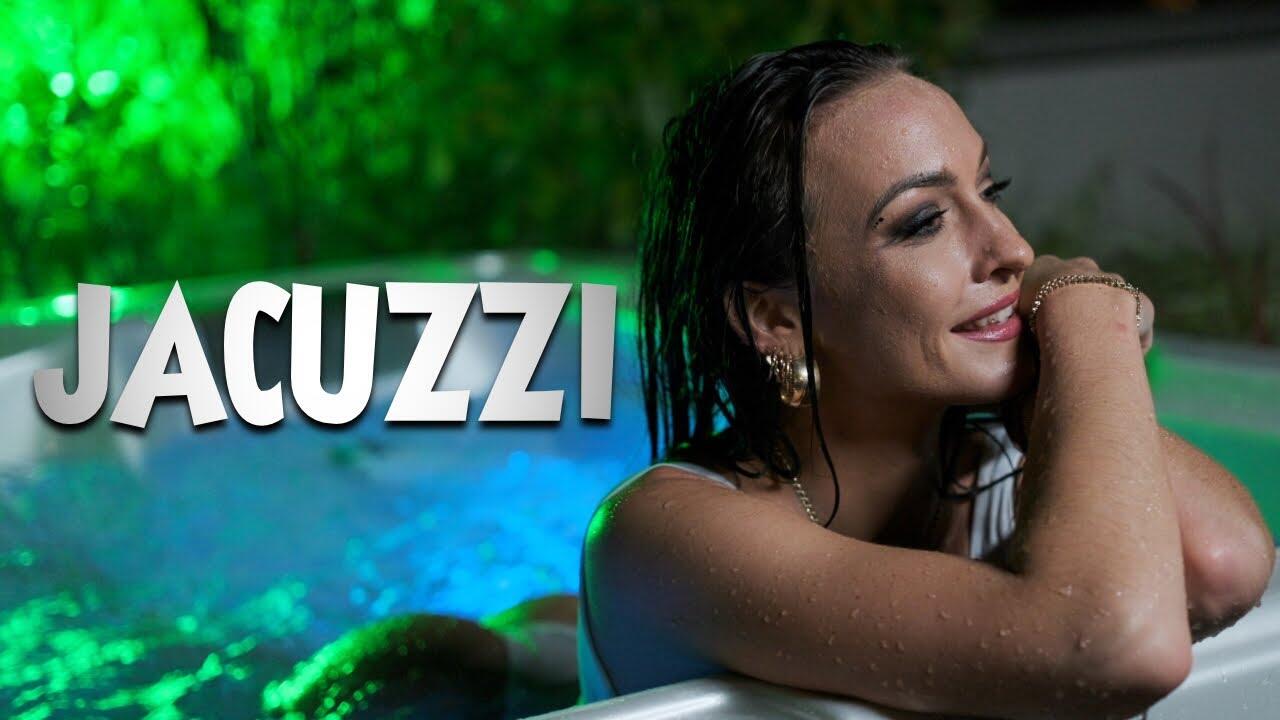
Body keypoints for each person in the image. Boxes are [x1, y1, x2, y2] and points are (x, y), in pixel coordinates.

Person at [576, 39, 1276, 719]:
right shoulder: (658, 534)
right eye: (924, 222)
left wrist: (1052, 380)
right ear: (777, 317)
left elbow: (1222, 565)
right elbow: (1113, 646)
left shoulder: (1017, 463)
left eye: (990, 190)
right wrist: (1087, 311)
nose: (1014, 249)